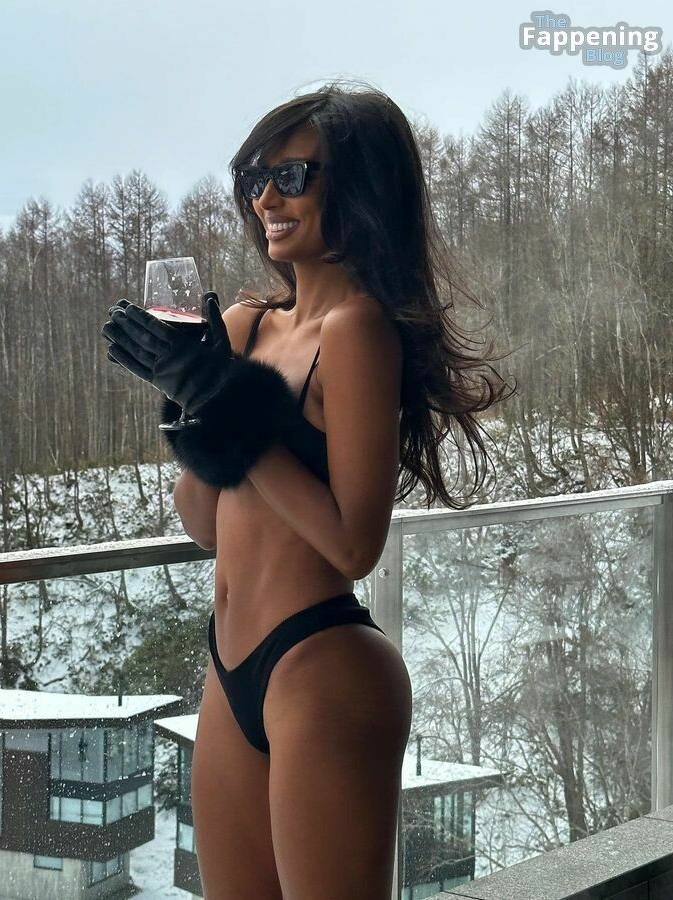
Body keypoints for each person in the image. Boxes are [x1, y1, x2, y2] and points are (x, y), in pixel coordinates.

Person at [102, 80, 513, 899]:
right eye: (258, 177)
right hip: (230, 668)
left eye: (292, 177)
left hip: (323, 669)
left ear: (358, 190)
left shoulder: (356, 332)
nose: (266, 199)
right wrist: (193, 404)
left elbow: (354, 543)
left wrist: (229, 406)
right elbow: (205, 522)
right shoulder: (247, 326)